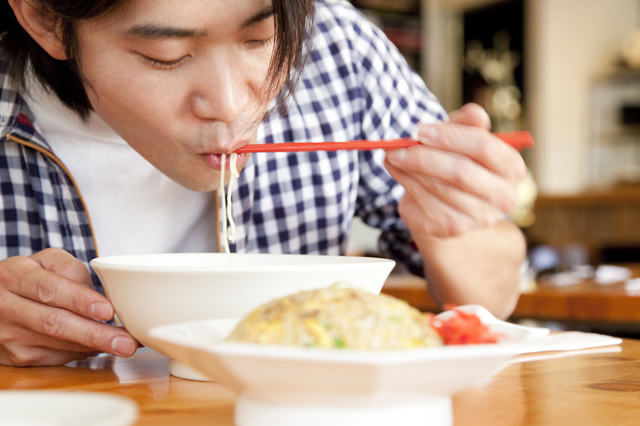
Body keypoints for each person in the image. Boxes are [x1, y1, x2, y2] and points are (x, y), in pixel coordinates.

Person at [0, 0, 527, 367]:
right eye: (167, 56)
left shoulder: (339, 48)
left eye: (262, 39)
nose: (231, 105)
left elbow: (494, 294)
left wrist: (456, 223)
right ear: (44, 17)